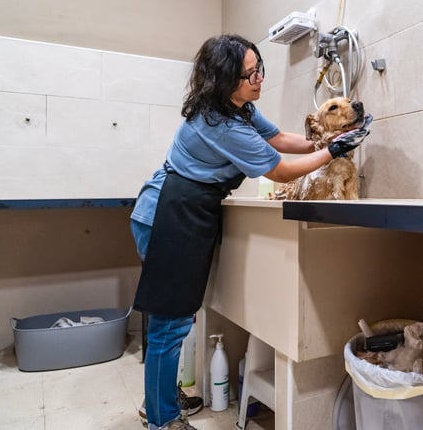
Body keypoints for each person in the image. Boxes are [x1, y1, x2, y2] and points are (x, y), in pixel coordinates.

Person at [130, 34, 370, 430]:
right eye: (249, 74)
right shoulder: (220, 123)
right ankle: (162, 419)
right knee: (170, 323)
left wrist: (329, 138)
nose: (259, 79)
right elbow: (280, 169)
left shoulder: (239, 109)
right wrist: (332, 151)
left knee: (175, 318)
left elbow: (280, 139)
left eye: (259, 68)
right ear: (224, 80)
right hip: (167, 214)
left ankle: (158, 402)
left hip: (186, 209)